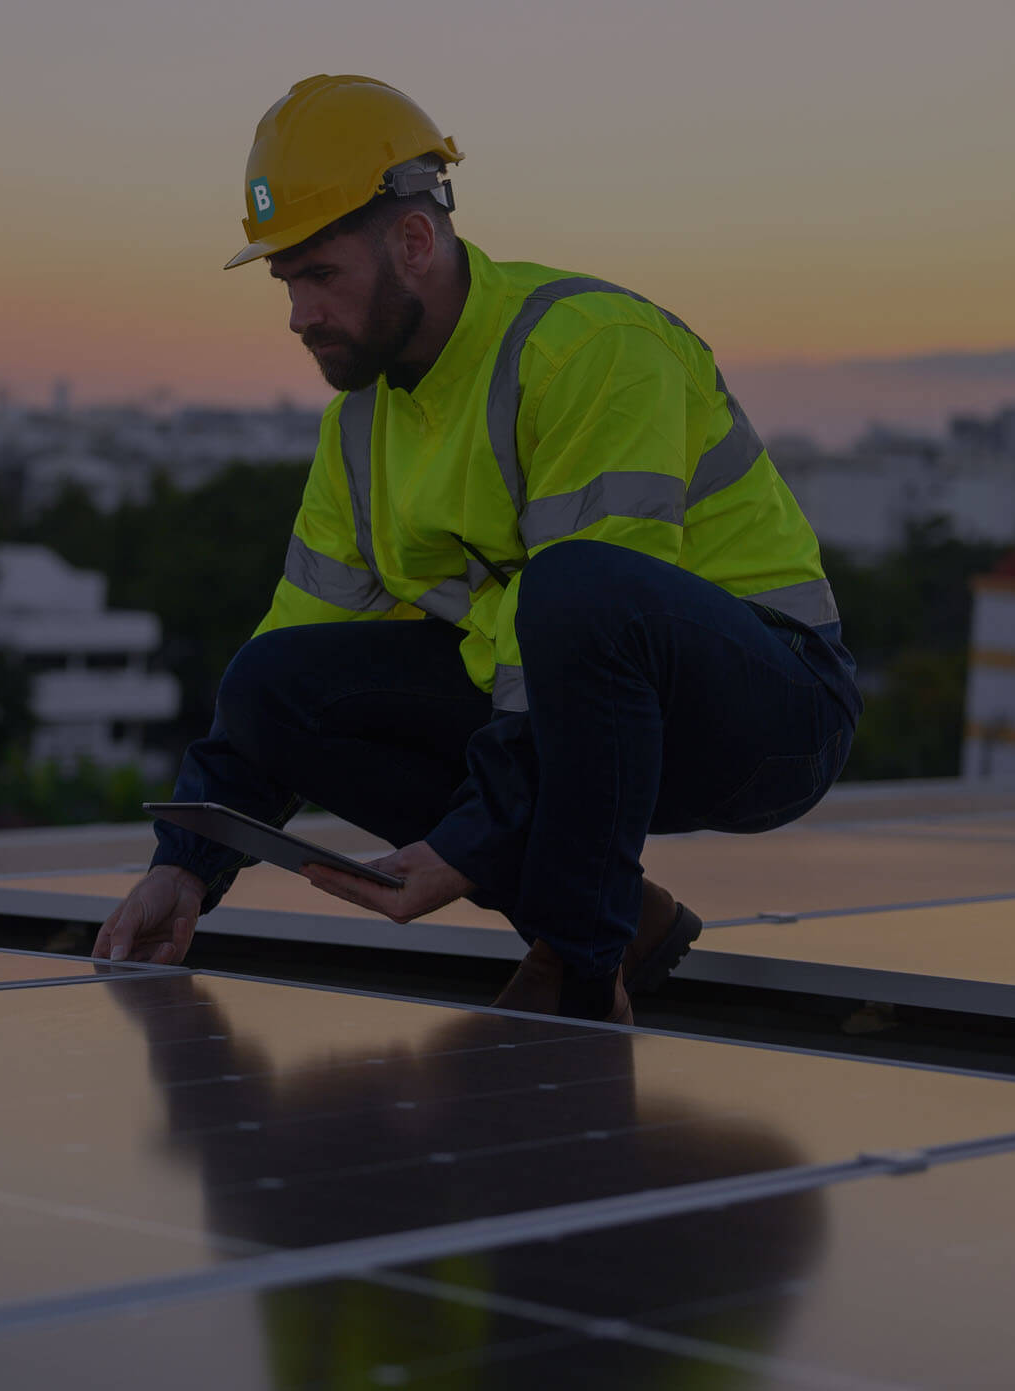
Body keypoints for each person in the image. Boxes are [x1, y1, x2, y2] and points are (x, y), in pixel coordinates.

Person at [94, 75, 860, 1023]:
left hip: (767, 711)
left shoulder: (589, 349)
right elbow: (293, 647)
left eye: (320, 275)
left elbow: (588, 623)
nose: (298, 316)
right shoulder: (360, 427)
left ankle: (581, 972)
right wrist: (188, 865)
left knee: (574, 590)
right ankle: (630, 925)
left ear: (414, 242)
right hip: (568, 715)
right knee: (272, 683)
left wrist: (471, 840)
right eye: (285, 283)